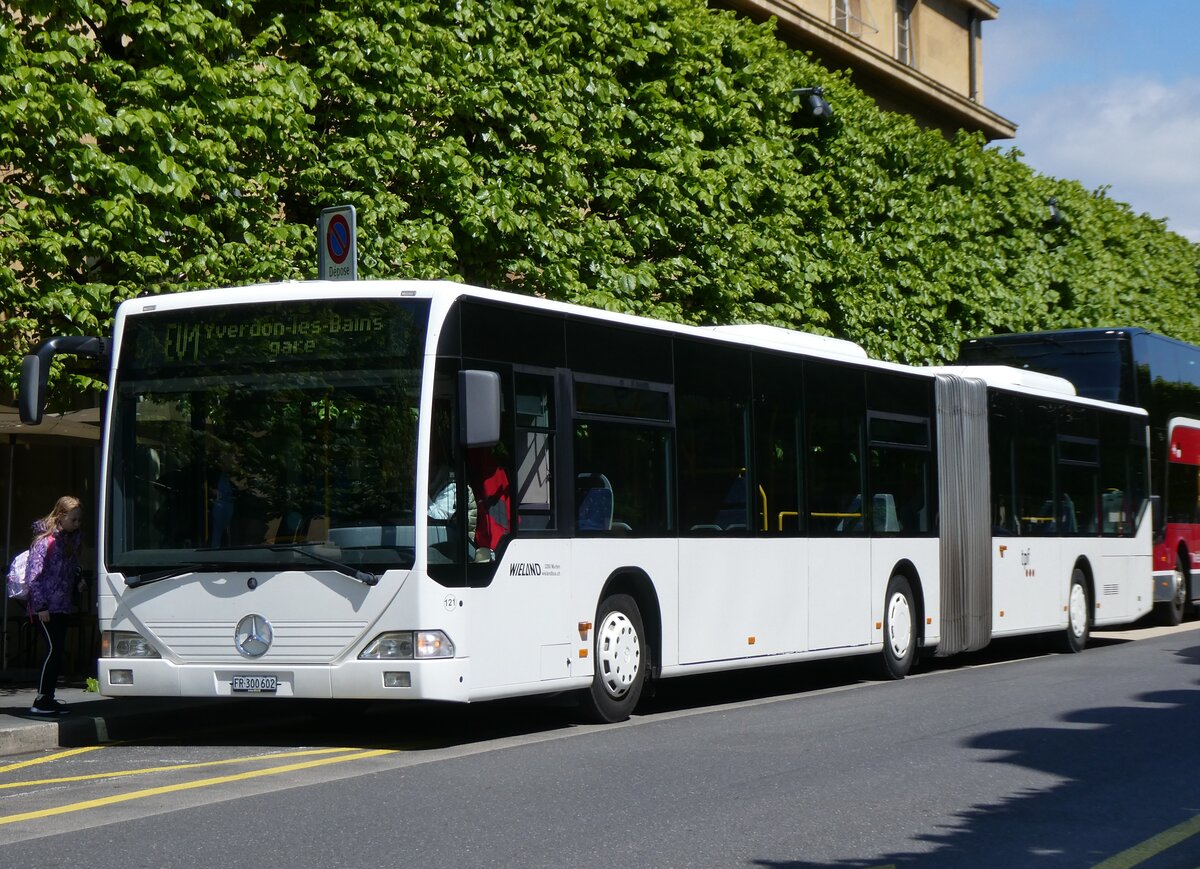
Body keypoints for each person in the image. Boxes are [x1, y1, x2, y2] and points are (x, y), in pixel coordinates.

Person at [25, 495, 86, 716]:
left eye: (79, 520)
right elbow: (34, 577)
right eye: (73, 519)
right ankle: (41, 700)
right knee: (53, 649)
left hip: (61, 605)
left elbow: (70, 568)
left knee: (57, 651)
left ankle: (48, 697)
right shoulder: (45, 542)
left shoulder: (71, 541)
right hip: (45, 607)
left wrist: (78, 581)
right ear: (60, 516)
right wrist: (41, 606)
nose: (77, 524)